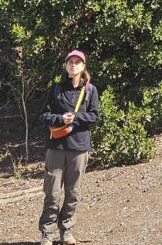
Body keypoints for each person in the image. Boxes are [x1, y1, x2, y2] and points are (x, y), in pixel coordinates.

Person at [38, 48, 100, 245]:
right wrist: (60, 119)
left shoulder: (90, 90)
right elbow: (43, 115)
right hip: (56, 147)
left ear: (83, 66)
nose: (73, 65)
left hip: (79, 147)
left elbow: (94, 116)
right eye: (70, 62)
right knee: (52, 192)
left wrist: (76, 117)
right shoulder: (56, 89)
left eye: (77, 62)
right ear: (65, 66)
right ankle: (47, 233)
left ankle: (66, 230)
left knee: (73, 192)